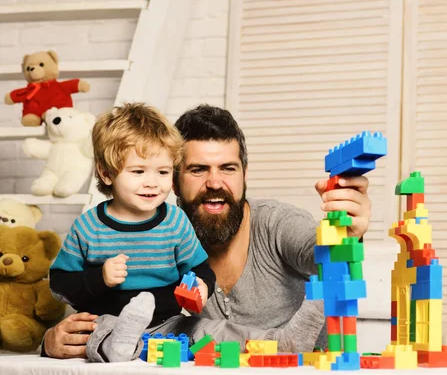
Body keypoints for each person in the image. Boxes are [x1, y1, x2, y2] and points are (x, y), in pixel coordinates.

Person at [42, 104, 372, 358]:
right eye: (198, 170)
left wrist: (349, 231)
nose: (215, 183)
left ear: (244, 173)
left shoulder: (277, 224)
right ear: (174, 179)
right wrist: (51, 340)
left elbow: (323, 258)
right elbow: (80, 292)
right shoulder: (162, 228)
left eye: (228, 168)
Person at [48, 103, 217, 362]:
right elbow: (60, 285)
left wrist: (202, 286)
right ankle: (120, 346)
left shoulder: (175, 221)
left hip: (167, 324)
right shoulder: (88, 227)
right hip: (108, 323)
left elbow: (200, 268)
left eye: (162, 172)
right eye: (138, 171)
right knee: (96, 336)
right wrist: (99, 278)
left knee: (212, 329)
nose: (152, 182)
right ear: (106, 173)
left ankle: (276, 339)